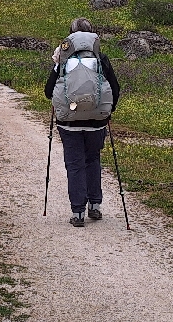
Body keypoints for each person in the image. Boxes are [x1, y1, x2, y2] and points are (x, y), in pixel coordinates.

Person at [44, 17, 122, 227]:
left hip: (68, 123)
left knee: (75, 164)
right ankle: (95, 206)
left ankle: (77, 212)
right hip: (96, 121)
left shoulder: (61, 60)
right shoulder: (101, 58)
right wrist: (107, 112)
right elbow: (114, 88)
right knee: (93, 160)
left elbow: (48, 92)